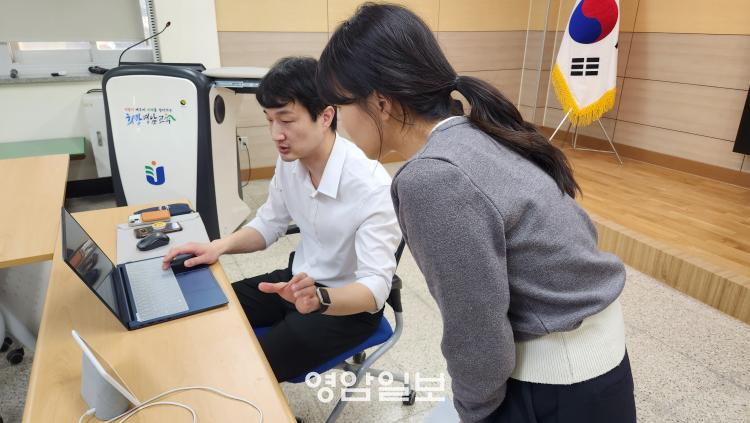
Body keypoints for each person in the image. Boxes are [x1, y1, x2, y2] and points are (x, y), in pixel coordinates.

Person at [316, 4, 636, 422]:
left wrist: (473, 412)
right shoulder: (476, 131)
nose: (340, 124)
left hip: (559, 390)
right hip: (596, 368)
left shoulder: (431, 178)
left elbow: (478, 335)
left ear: (380, 102)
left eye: (340, 106)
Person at [162, 56, 401, 382]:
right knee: (213, 309)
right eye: (269, 120)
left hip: (344, 307)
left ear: (326, 116)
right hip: (296, 281)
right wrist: (218, 247)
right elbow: (269, 224)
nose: (276, 134)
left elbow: (375, 288)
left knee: (249, 371)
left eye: (286, 120)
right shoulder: (290, 162)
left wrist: (320, 299)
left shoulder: (372, 187)